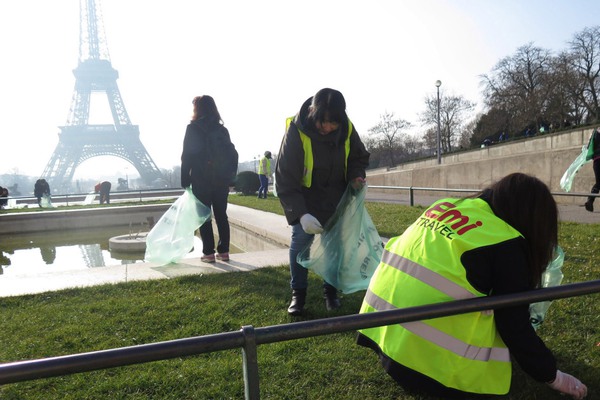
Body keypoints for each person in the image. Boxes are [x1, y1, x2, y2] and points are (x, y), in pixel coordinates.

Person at [357, 173, 588, 399]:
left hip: (384, 343)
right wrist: (552, 376)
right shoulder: (507, 242)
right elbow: (514, 324)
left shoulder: (444, 206)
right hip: (434, 373)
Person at [275, 88, 370, 316]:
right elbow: (285, 177)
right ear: (312, 112)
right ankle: (298, 294)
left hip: (336, 197)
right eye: (323, 122)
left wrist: (356, 176)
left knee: (334, 246)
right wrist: (300, 214)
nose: (327, 128)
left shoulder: (347, 128)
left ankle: (331, 291)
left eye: (333, 123)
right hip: (305, 200)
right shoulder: (297, 131)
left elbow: (358, 156)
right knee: (300, 242)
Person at [181, 95, 238, 263]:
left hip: (201, 179)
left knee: (204, 217)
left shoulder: (193, 129)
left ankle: (208, 253)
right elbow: (232, 155)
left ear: (197, 109)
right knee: (221, 215)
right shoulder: (222, 130)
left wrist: (185, 179)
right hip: (220, 180)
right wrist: (231, 179)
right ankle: (224, 251)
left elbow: (187, 156)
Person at [584, 127, 600, 212]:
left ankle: (590, 200)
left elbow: (588, 147)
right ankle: (590, 200)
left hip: (597, 161)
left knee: (598, 183)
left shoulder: (594, 132)